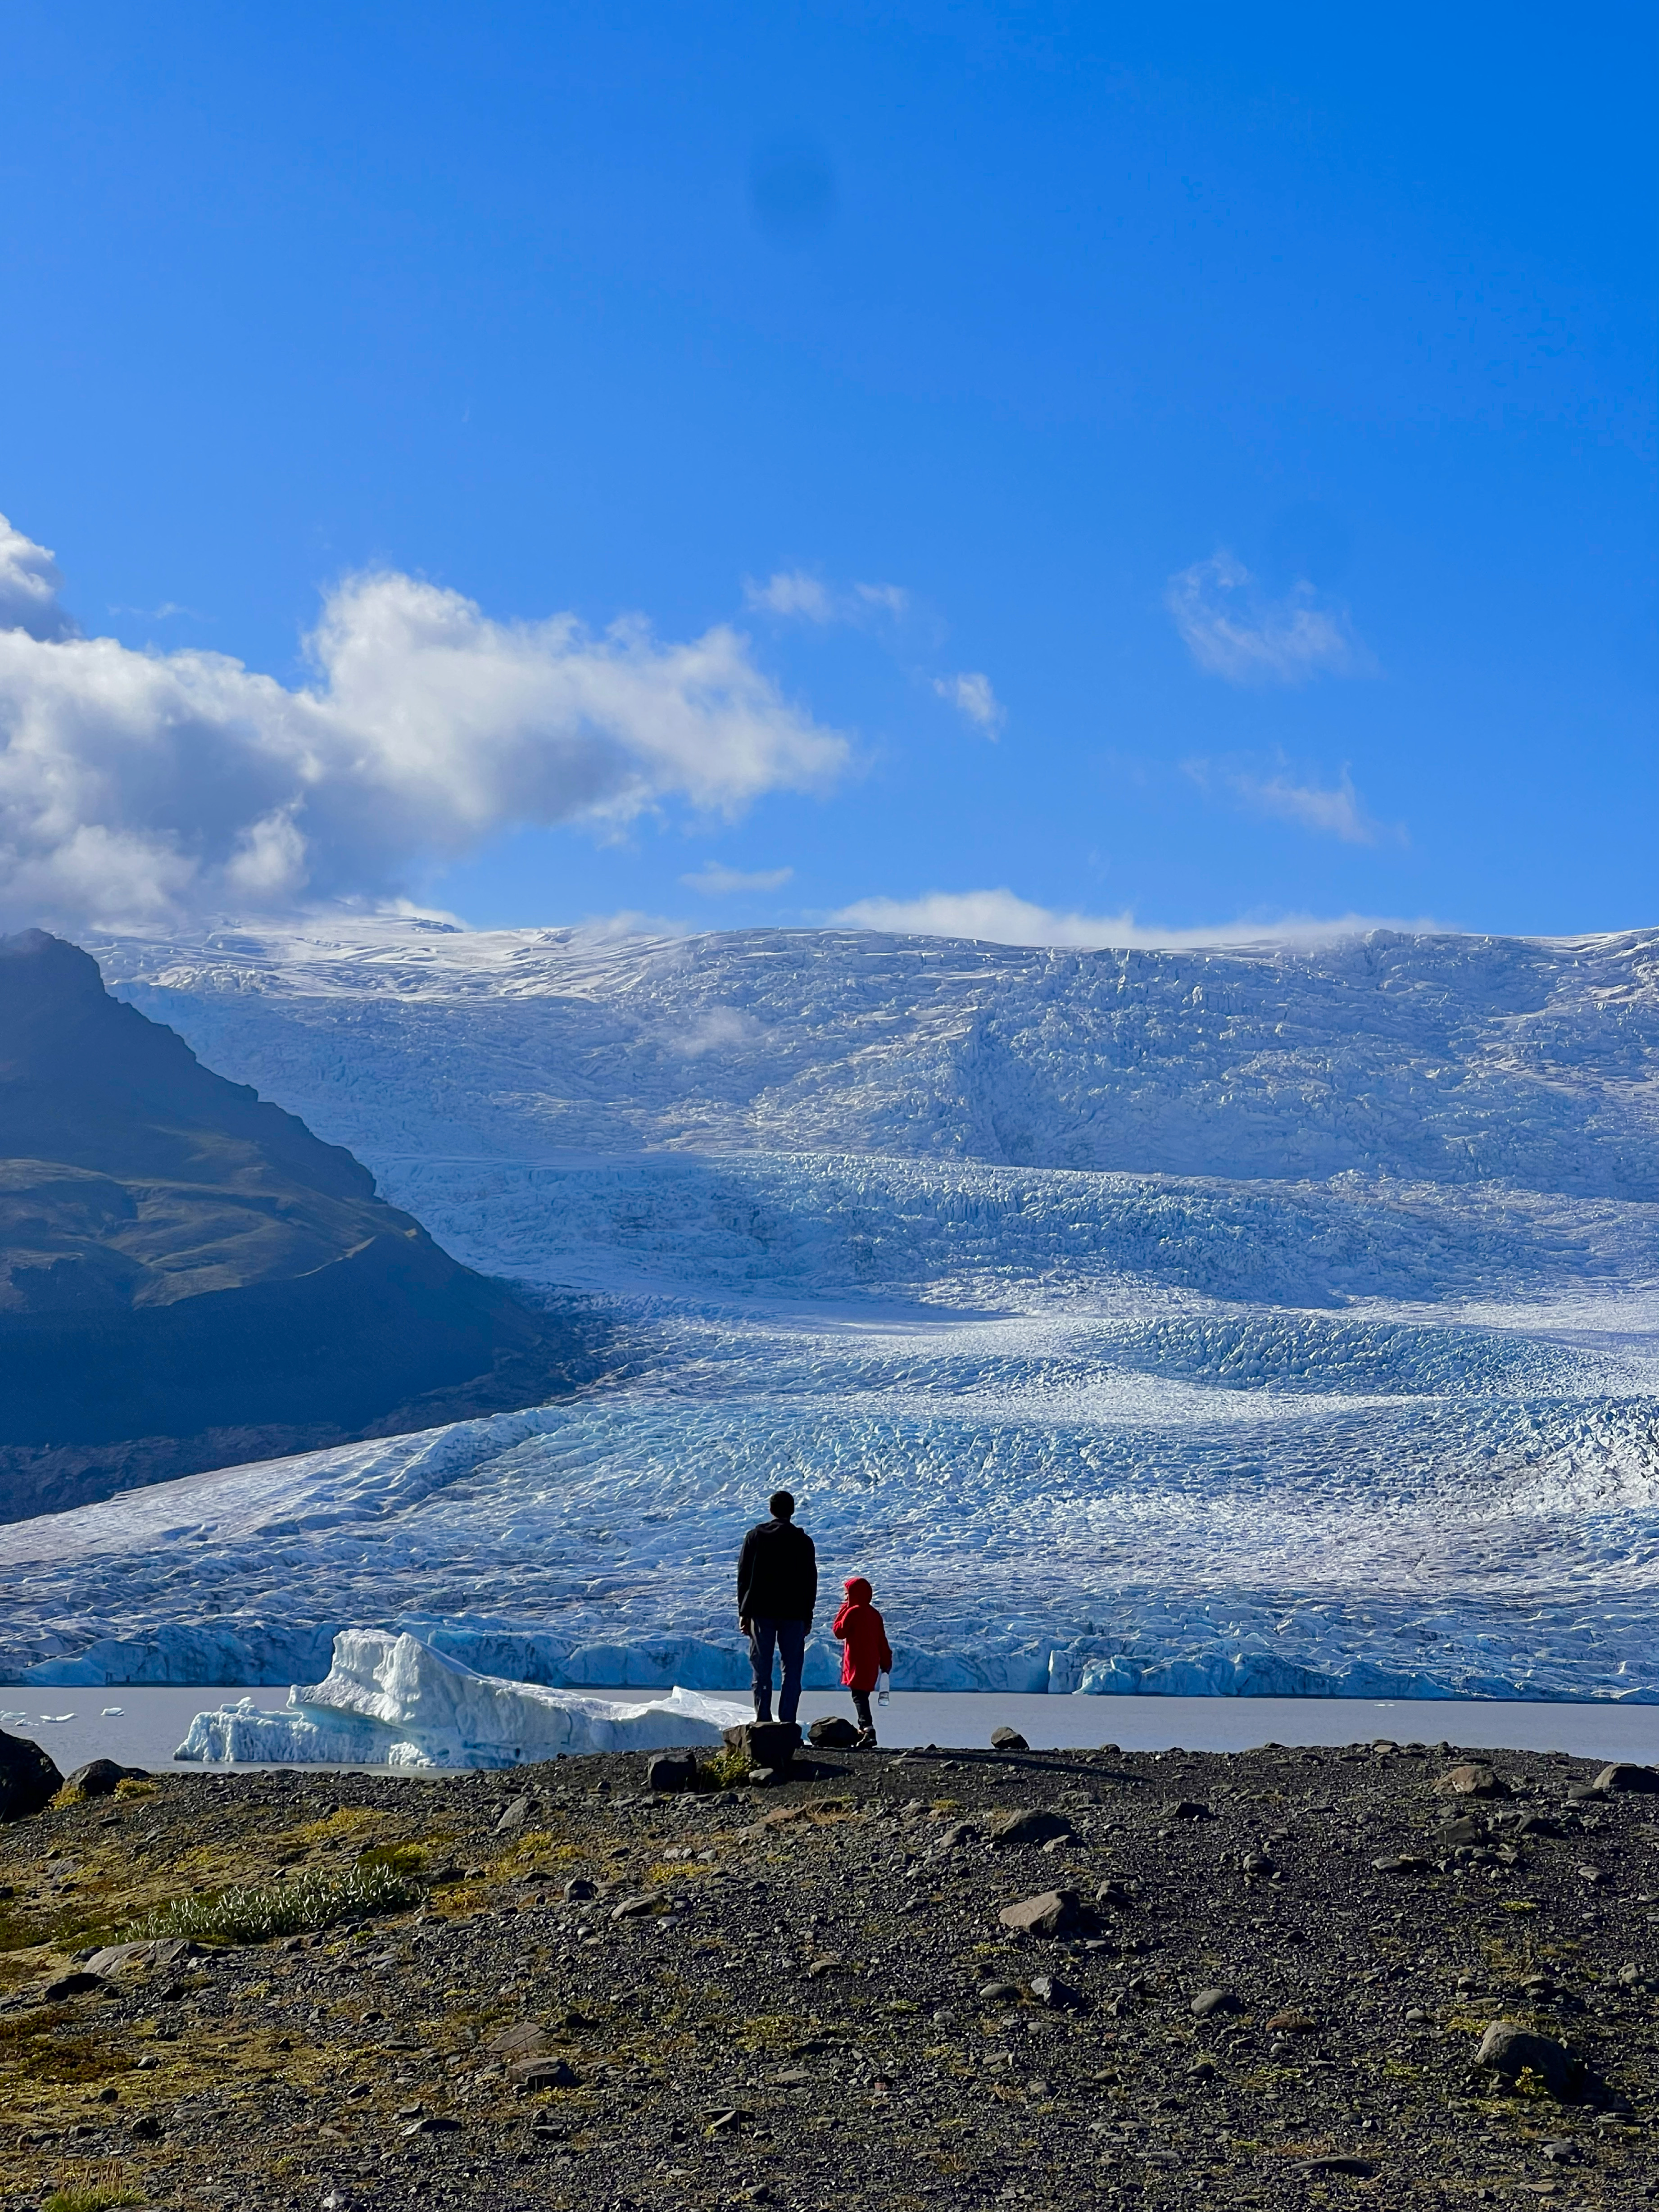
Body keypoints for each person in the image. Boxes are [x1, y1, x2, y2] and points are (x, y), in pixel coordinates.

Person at [736, 1489, 817, 1727]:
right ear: (792, 1511)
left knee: (762, 1667)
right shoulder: (803, 1541)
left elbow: (744, 1577)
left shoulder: (755, 1537)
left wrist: (744, 1612)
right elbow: (810, 1581)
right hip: (794, 1613)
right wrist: (808, 1616)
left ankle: (763, 1719)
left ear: (771, 1510)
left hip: (761, 1612)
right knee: (792, 1669)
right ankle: (788, 1721)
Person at [832, 1575, 893, 1745]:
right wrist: (886, 1662)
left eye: (847, 1594)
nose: (845, 1597)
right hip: (871, 1663)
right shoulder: (874, 1614)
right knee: (862, 1695)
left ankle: (868, 1729)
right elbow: (882, 1640)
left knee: (859, 1696)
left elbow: (839, 1632)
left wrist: (844, 1609)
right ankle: (863, 1731)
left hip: (857, 1662)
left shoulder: (853, 1611)